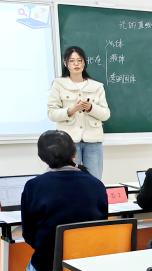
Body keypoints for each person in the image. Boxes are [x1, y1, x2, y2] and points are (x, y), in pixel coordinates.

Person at [21, 130, 108, 271]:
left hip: (50, 268)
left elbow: (29, 234)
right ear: (73, 153)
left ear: (42, 157)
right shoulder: (96, 184)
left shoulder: (34, 187)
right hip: (88, 267)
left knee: (33, 268)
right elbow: (101, 226)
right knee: (77, 264)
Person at [47, 45, 110, 179]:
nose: (76, 64)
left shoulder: (97, 86)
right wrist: (72, 110)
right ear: (65, 63)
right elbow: (52, 113)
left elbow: (106, 114)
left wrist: (91, 108)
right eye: (72, 60)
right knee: (69, 180)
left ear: (84, 63)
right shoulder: (59, 84)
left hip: (93, 141)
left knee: (94, 179)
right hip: (68, 142)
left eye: (79, 60)